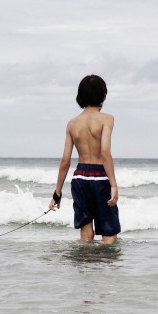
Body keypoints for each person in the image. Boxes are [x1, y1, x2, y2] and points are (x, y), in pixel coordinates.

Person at [48, 74, 121, 244]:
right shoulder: (107, 119)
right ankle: (105, 268)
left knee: (86, 233)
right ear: (103, 95)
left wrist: (57, 193)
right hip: (100, 177)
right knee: (109, 231)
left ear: (80, 96)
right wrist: (113, 185)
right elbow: (105, 153)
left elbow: (65, 161)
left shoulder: (72, 123)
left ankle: (86, 266)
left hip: (80, 178)